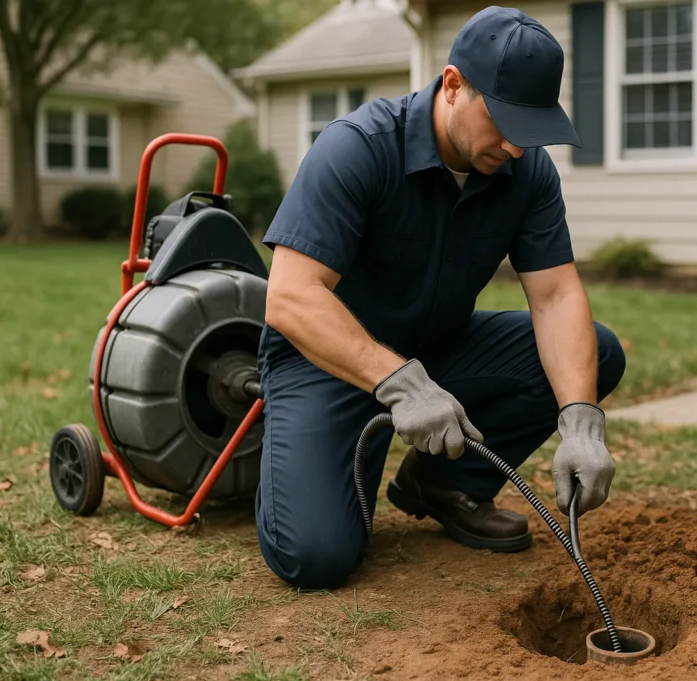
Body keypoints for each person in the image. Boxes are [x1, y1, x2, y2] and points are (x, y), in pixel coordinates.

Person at [255, 5, 626, 591]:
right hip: (328, 364)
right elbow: (292, 298)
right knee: (317, 556)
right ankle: (295, 458)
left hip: (441, 348)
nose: (516, 148)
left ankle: (442, 483)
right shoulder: (356, 148)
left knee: (596, 352)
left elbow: (556, 297)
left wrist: (580, 421)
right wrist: (400, 383)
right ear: (453, 85)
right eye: (504, 123)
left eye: (531, 131)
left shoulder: (527, 173)